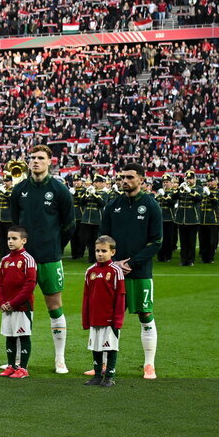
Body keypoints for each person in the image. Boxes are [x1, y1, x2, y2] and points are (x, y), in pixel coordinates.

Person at [9, 144, 75, 374]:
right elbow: (15, 223)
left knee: (54, 305)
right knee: (20, 306)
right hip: (23, 260)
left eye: (40, 158)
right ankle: (17, 359)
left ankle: (59, 358)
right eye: (32, 158)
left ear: (50, 161)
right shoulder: (19, 190)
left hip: (49, 258)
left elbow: (69, 225)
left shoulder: (59, 190)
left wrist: (54, 245)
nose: (35, 161)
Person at [98, 163, 162, 379]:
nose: (124, 181)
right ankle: (105, 365)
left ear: (141, 180)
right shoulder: (112, 205)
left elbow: (157, 241)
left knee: (145, 316)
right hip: (113, 273)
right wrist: (113, 263)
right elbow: (102, 238)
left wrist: (131, 263)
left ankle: (149, 364)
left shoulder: (151, 205)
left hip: (140, 272)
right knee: (110, 319)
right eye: (121, 177)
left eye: (129, 177)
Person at [82, 236, 126, 387]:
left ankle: (109, 376)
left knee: (111, 347)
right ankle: (97, 374)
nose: (100, 254)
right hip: (95, 317)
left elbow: (120, 297)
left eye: (104, 251)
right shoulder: (90, 271)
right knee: (96, 347)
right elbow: (86, 296)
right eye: (97, 251)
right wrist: (86, 318)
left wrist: (118, 319)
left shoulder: (115, 271)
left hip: (110, 319)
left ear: (112, 252)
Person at [0, 226, 38, 379]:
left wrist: (13, 303)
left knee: (23, 336)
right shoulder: (5, 260)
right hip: (7, 307)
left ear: (23, 241)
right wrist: (1, 302)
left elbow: (29, 285)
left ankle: (23, 368)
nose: (10, 241)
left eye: (14, 238)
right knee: (10, 336)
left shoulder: (28, 260)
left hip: (22, 307)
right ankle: (11, 366)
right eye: (8, 238)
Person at [174, 171, 201, 266]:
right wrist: (179, 188)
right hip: (181, 219)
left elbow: (199, 198)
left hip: (192, 219)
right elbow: (174, 197)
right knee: (183, 241)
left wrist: (190, 190)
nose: (188, 180)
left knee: (191, 241)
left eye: (190, 178)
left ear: (194, 179)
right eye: (187, 178)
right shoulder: (182, 188)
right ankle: (183, 260)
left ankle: (190, 260)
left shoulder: (198, 188)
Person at [156, 173, 178, 262]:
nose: (165, 184)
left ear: (171, 183)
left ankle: (168, 256)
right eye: (164, 182)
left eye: (167, 182)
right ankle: (160, 256)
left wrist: (164, 194)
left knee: (169, 239)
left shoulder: (174, 192)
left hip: (169, 218)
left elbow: (173, 203)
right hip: (160, 218)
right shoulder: (160, 192)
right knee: (160, 239)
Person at [198, 174, 217, 264]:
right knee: (203, 240)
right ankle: (204, 257)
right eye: (208, 182)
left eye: (211, 181)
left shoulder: (217, 192)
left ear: (215, 182)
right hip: (202, 219)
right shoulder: (204, 192)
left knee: (211, 240)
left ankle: (210, 258)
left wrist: (210, 194)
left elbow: (216, 202)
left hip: (212, 219)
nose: (209, 183)